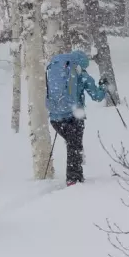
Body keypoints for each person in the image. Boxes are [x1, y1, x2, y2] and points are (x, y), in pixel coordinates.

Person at [45, 50, 108, 186]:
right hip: (73, 117)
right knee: (74, 146)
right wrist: (103, 86)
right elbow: (97, 96)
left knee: (73, 145)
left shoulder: (57, 69)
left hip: (55, 118)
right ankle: (74, 179)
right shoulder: (82, 74)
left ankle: (75, 177)